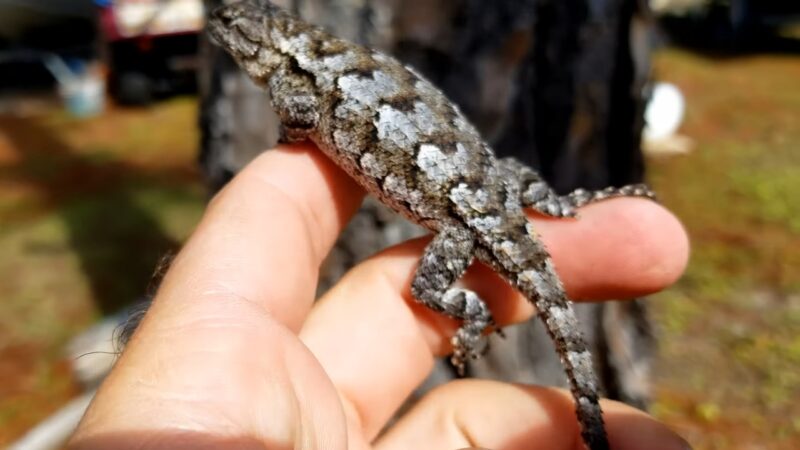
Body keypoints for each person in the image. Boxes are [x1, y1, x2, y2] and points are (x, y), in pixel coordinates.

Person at [67, 144, 691, 449]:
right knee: (505, 186)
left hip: (467, 216)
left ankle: (475, 312)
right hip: (484, 189)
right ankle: (552, 207)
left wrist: (472, 313)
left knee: (426, 288)